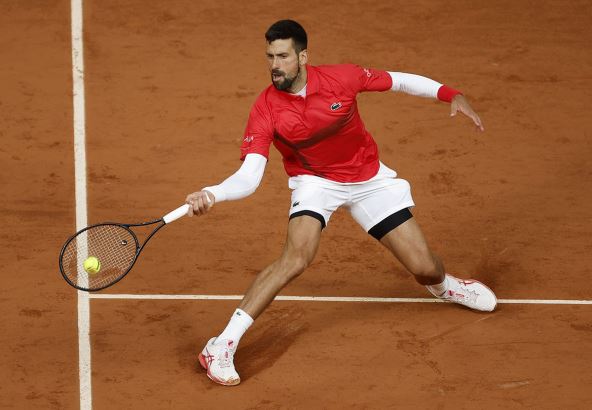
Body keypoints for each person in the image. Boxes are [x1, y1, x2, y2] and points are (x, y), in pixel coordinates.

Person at [185, 20, 496, 386]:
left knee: (425, 268)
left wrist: (450, 93)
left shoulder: (342, 78)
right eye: (270, 57)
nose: (275, 66)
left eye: (283, 56)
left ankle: (444, 287)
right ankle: (221, 345)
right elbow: (250, 176)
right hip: (316, 182)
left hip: (368, 179)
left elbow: (398, 80)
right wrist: (214, 193)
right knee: (296, 258)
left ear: (303, 57)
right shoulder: (266, 108)